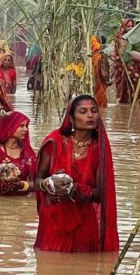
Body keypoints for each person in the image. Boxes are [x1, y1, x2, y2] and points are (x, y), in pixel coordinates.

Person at [34, 95, 118, 252]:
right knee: (48, 267)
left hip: (84, 223)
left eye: (94, 111)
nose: (90, 115)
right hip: (54, 220)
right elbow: (37, 181)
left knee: (84, 271)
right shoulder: (55, 142)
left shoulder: (99, 149)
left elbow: (101, 194)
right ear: (71, 118)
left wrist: (75, 190)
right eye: (83, 111)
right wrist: (48, 183)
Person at [91, 36, 110, 108]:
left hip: (95, 78)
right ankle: (101, 109)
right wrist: (107, 79)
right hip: (100, 79)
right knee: (100, 93)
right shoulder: (100, 52)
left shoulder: (93, 51)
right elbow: (103, 70)